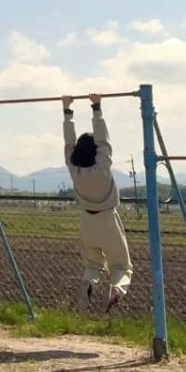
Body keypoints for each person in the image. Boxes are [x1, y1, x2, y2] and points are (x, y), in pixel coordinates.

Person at [62, 93, 133, 313]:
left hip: (86, 222)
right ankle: (117, 289)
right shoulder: (102, 167)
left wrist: (67, 111)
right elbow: (104, 141)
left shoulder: (74, 169)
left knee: (92, 264)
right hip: (107, 220)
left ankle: (89, 282)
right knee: (121, 266)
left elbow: (69, 143)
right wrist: (96, 107)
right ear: (96, 153)